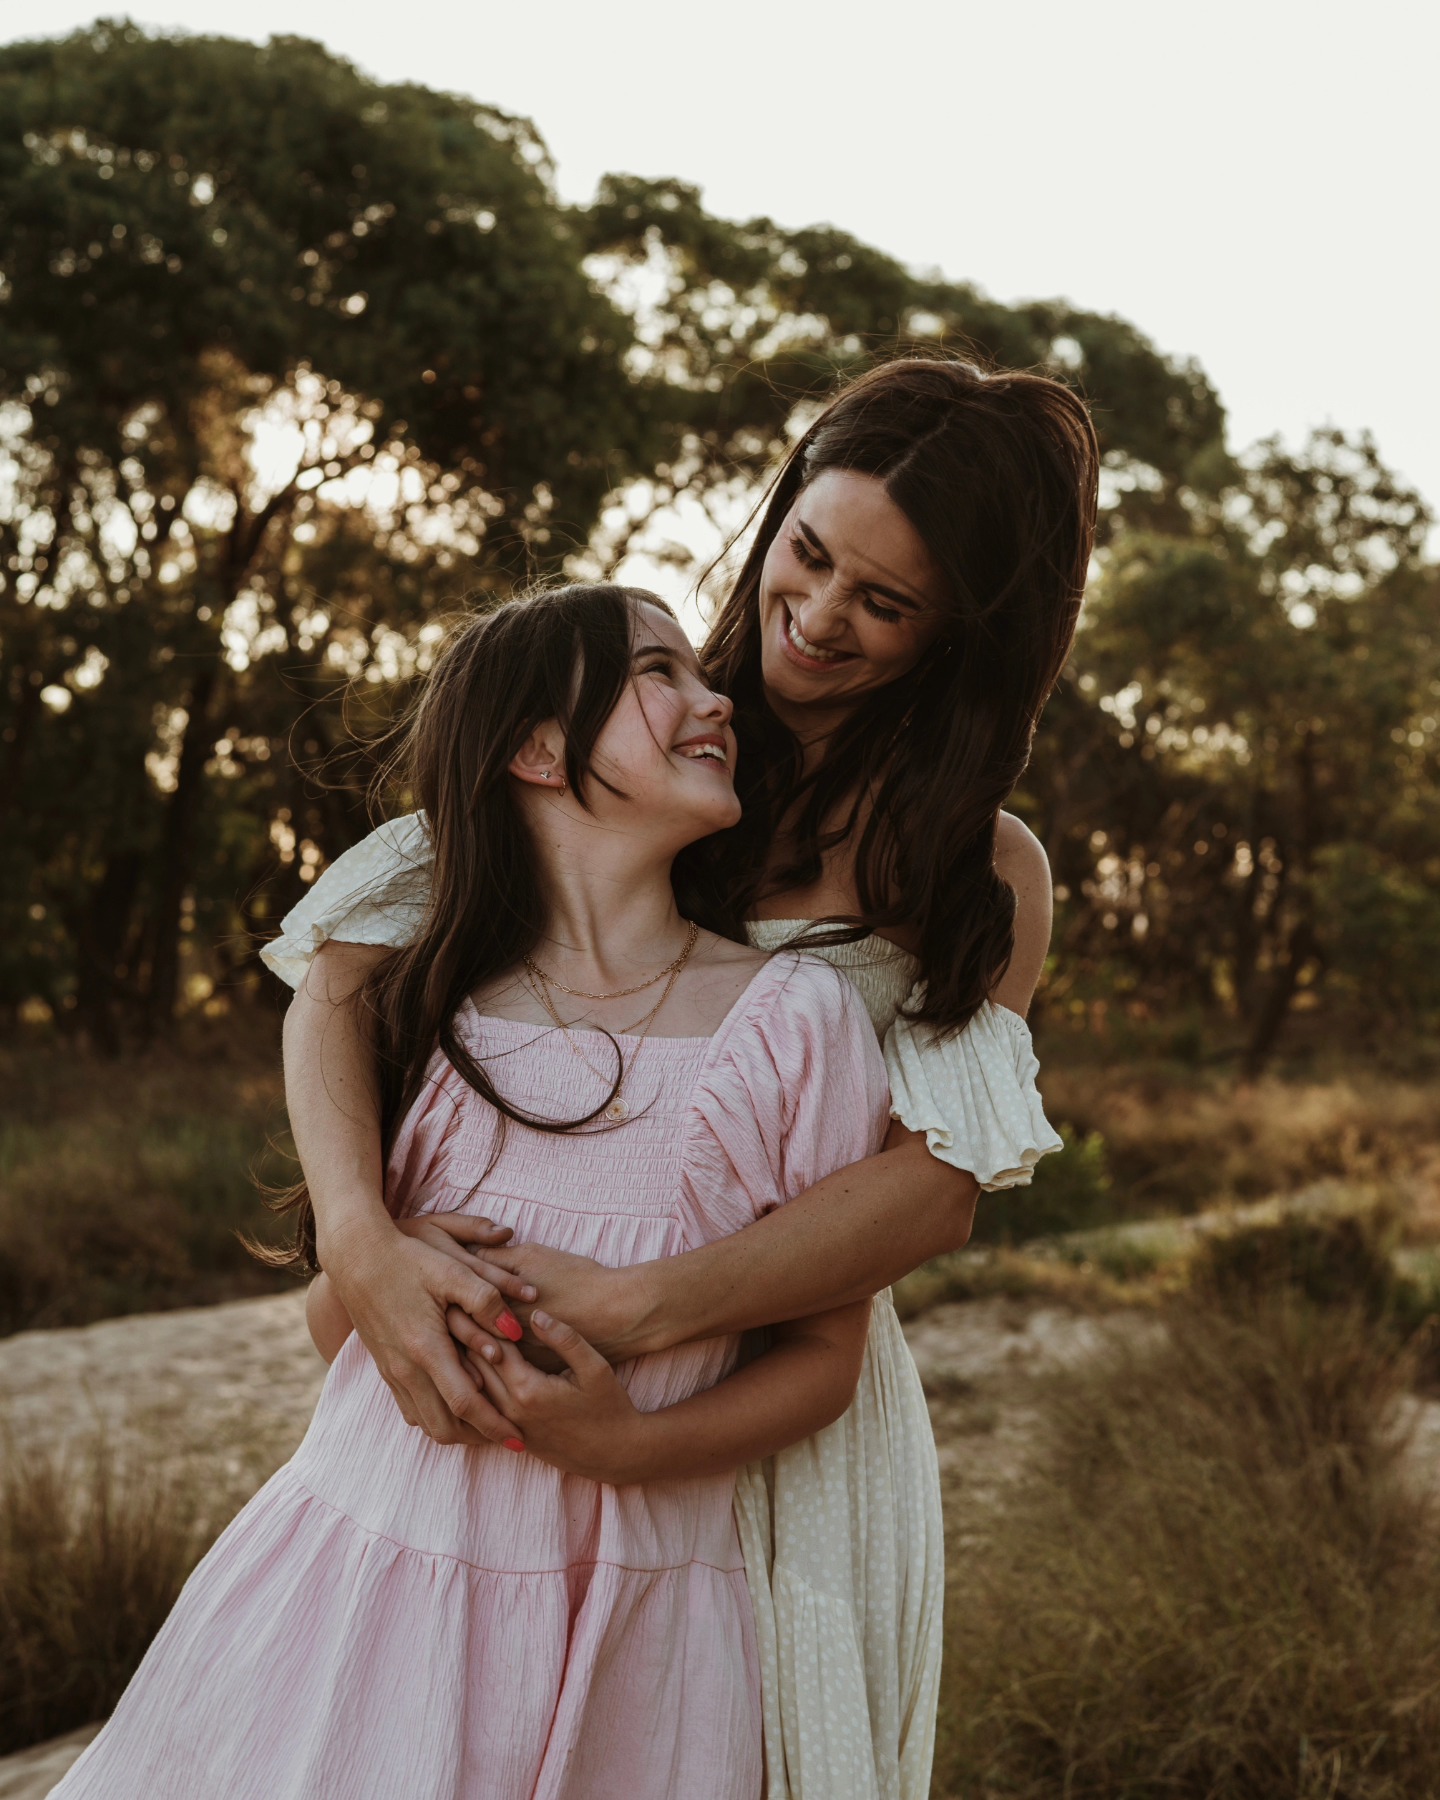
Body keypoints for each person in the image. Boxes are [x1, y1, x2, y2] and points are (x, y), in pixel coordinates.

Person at [267, 353, 1100, 1797]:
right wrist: (360, 1238)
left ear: (963, 632)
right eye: (808, 553)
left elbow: (934, 1189)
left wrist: (639, 1312)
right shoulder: (633, 736)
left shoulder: (977, 867)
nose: (817, 618)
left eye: (884, 603)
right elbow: (339, 969)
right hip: (523, 1390)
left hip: (775, 1423)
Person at [50, 585, 891, 1800]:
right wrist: (386, 1268)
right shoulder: (432, 1006)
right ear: (537, 750)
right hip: (364, 1588)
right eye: (658, 672)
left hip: (630, 1621)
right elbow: (342, 1334)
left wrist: (634, 1447)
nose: (717, 701)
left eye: (701, 675)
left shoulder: (795, 1024)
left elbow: (823, 1359)